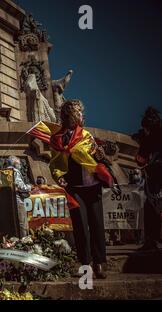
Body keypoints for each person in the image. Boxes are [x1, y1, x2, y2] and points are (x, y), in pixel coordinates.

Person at [49, 100, 113, 279]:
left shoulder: (87, 135)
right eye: (78, 112)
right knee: (80, 227)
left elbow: (96, 156)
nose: (81, 115)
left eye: (81, 113)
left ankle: (100, 263)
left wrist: (100, 155)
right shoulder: (57, 139)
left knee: (97, 224)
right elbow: (55, 162)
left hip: (92, 186)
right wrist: (58, 175)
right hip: (75, 188)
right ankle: (85, 263)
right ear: (69, 115)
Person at [134, 107, 162, 251]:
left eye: (145, 129)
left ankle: (154, 239)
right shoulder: (147, 139)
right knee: (150, 209)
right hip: (152, 180)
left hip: (159, 177)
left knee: (153, 209)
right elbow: (141, 158)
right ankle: (152, 240)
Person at [7, 156, 32, 238]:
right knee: (22, 221)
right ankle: (24, 240)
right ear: (14, 163)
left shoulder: (6, 171)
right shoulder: (14, 171)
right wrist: (29, 187)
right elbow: (20, 185)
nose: (20, 165)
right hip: (18, 200)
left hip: (10, 200)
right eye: (19, 163)